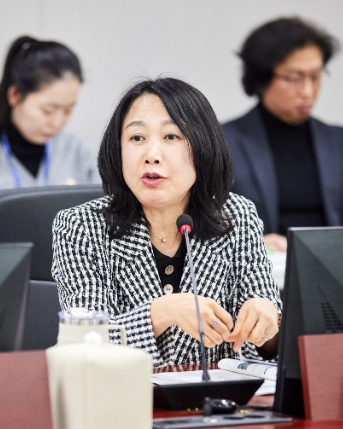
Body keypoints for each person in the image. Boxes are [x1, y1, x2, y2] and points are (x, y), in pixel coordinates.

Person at [52, 78, 281, 367]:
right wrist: (162, 313)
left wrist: (267, 322)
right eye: (137, 138)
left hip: (219, 394)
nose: (152, 155)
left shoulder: (236, 216)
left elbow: (262, 343)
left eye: (171, 136)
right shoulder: (81, 227)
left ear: (203, 146)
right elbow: (85, 344)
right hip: (123, 393)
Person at [223, 17, 343, 252]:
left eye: (315, 76)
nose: (307, 91)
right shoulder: (224, 143)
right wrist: (253, 243)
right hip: (263, 270)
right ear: (261, 78)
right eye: (294, 79)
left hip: (334, 266)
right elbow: (206, 228)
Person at [0, 36, 100, 246]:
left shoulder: (79, 152)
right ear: (15, 96)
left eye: (68, 110)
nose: (58, 122)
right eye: (48, 110)